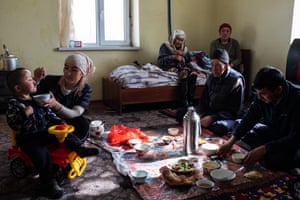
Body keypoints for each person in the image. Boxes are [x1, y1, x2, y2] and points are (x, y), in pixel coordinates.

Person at [6, 68, 99, 199]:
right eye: (29, 79)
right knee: (41, 155)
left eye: (32, 78)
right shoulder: (14, 103)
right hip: (28, 138)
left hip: (44, 132)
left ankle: (79, 148)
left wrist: (60, 122)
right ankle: (48, 183)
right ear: (18, 88)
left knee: (64, 133)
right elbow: (12, 122)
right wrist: (24, 113)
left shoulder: (36, 99)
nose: (33, 80)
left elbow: (49, 114)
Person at [218, 66, 300, 171]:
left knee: (273, 161)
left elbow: (295, 138)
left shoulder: (297, 100)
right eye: (258, 93)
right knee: (238, 125)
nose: (259, 97)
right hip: (274, 132)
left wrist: (265, 149)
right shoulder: (261, 96)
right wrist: (230, 142)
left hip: (291, 142)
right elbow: (249, 118)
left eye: (263, 94)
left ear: (278, 90)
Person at [34, 52, 95, 142]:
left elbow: (75, 113)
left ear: (83, 73)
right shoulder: (49, 81)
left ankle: (67, 141)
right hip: (50, 119)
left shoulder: (86, 89)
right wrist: (36, 80)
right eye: (66, 68)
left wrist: (56, 105)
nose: (68, 73)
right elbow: (31, 96)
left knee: (83, 124)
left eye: (74, 70)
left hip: (71, 120)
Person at [196, 48, 245, 136]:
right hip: (211, 113)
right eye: (212, 65)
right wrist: (199, 114)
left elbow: (235, 110)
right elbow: (203, 100)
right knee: (184, 114)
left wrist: (212, 118)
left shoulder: (236, 80)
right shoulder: (211, 77)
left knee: (219, 127)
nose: (214, 69)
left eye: (217, 65)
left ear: (226, 66)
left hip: (227, 117)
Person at [157, 29, 198, 107]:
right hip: (168, 67)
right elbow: (160, 61)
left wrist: (184, 58)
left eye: (181, 40)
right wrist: (173, 57)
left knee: (193, 74)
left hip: (182, 67)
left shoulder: (184, 49)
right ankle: (184, 101)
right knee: (184, 73)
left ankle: (190, 101)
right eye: (177, 39)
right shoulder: (165, 46)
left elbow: (188, 62)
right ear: (173, 38)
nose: (179, 42)